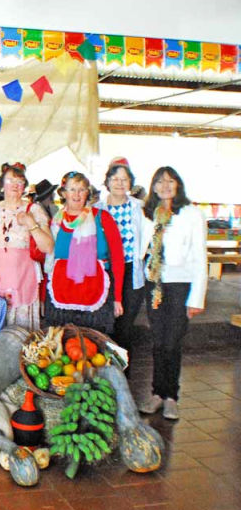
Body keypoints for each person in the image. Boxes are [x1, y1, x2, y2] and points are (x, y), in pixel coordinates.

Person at [138, 167, 207, 421]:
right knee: (157, 341)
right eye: (159, 181)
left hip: (181, 284)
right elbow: (143, 250)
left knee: (172, 341)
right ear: (153, 187)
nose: (165, 185)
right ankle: (157, 393)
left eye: (170, 181)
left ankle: (171, 397)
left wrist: (196, 297)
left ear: (178, 185)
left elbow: (200, 256)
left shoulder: (191, 214)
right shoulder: (149, 214)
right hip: (155, 283)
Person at [45, 172, 125, 334]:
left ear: (87, 192)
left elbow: (117, 258)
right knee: (62, 342)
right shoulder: (55, 222)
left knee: (96, 343)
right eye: (72, 189)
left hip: (95, 291)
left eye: (82, 189)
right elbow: (48, 258)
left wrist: (117, 298)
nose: (77, 194)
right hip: (61, 291)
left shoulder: (103, 218)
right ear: (63, 193)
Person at [0, 164, 53, 330]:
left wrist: (32, 224)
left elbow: (48, 247)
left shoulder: (34, 209)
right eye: (10, 180)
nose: (15, 185)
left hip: (23, 276)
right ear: (1, 184)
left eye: (20, 181)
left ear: (24, 186)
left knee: (21, 327)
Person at [94, 157, 145, 364]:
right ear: (107, 182)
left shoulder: (140, 208)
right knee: (105, 323)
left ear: (130, 182)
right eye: (115, 178)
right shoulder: (96, 209)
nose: (119, 183)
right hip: (105, 272)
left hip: (131, 272)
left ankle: (123, 376)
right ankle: (104, 372)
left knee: (125, 326)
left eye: (124, 179)